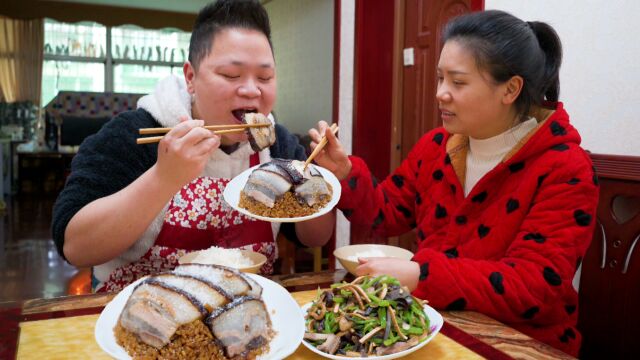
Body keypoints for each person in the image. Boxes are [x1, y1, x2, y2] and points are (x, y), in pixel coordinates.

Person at [309, 10, 598, 357]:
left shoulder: (564, 167)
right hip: (436, 327)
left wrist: (421, 274)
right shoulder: (437, 147)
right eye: (440, 78)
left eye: (458, 82)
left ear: (510, 89)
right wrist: (344, 173)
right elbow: (385, 215)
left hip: (521, 344)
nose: (440, 94)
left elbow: (534, 286)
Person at [52, 0, 334, 293]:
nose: (252, 90)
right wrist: (164, 178)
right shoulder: (136, 133)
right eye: (230, 75)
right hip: (139, 319)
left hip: (245, 318)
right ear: (191, 77)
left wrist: (323, 182)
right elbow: (75, 247)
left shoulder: (278, 146)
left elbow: (313, 238)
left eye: (265, 77)